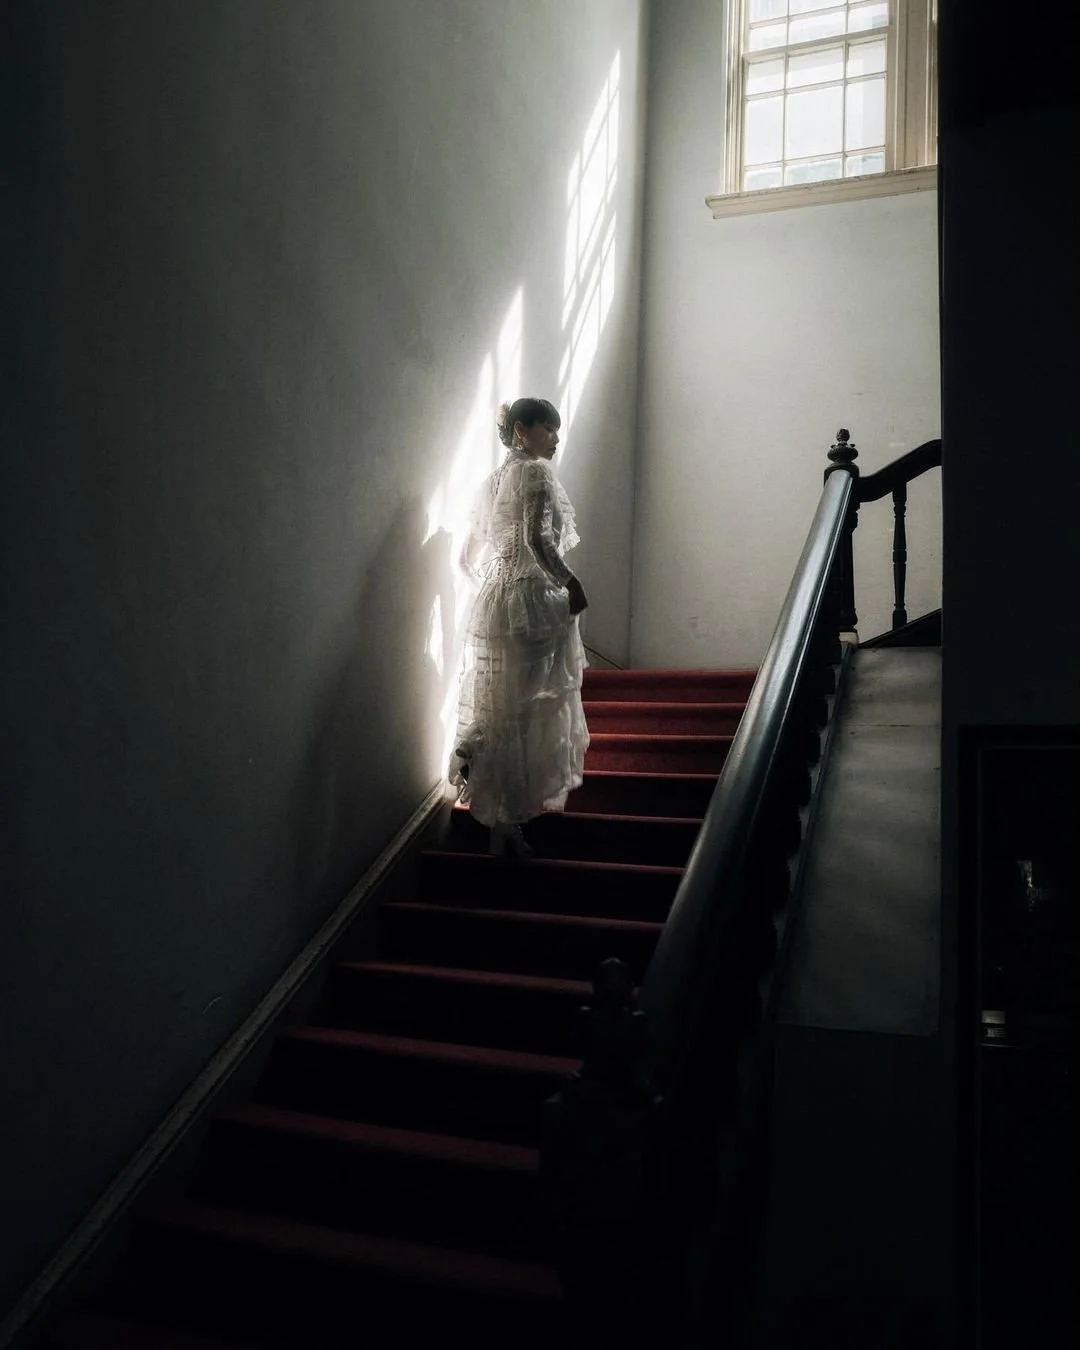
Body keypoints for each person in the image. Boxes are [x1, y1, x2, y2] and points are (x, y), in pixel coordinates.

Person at [449, 397, 590, 856]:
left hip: (495, 601)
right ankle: (508, 818)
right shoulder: (534, 472)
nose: (555, 438)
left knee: (502, 709)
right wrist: (569, 583)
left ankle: (499, 813)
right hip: (529, 600)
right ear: (523, 429)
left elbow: (466, 560)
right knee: (528, 710)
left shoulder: (491, 482)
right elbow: (537, 539)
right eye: (549, 428)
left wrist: (494, 589)